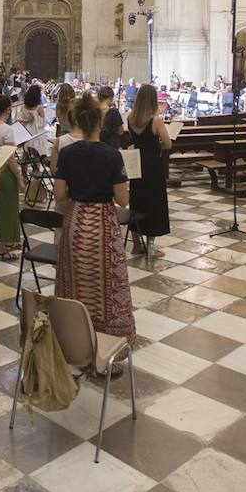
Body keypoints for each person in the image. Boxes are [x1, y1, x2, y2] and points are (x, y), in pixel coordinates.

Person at [54, 95, 135, 344]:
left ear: (76, 120)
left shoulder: (67, 153)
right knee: (107, 282)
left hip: (76, 223)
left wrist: (77, 207)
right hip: (102, 223)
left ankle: (74, 340)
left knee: (74, 281)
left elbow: (59, 196)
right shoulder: (111, 155)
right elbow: (122, 200)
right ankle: (106, 342)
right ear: (99, 123)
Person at [125, 82, 172, 257]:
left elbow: (134, 138)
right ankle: (151, 248)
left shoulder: (130, 118)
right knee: (154, 204)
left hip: (136, 163)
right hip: (152, 165)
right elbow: (167, 144)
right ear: (153, 100)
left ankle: (136, 245)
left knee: (137, 202)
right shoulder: (156, 120)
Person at [0, 94, 23, 260]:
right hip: (5, 171)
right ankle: (1, 248)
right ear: (7, 109)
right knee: (8, 210)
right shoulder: (7, 129)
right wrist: (19, 175)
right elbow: (10, 157)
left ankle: (7, 242)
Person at [16, 84, 48, 159]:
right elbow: (43, 123)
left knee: (26, 154)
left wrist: (27, 120)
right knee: (38, 155)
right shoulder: (39, 108)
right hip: (37, 134)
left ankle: (24, 170)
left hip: (26, 132)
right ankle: (36, 170)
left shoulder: (24, 106)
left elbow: (18, 118)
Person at [98, 85, 125, 149]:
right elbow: (121, 131)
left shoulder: (93, 111)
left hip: (98, 147)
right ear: (110, 98)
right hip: (111, 147)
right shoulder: (114, 112)